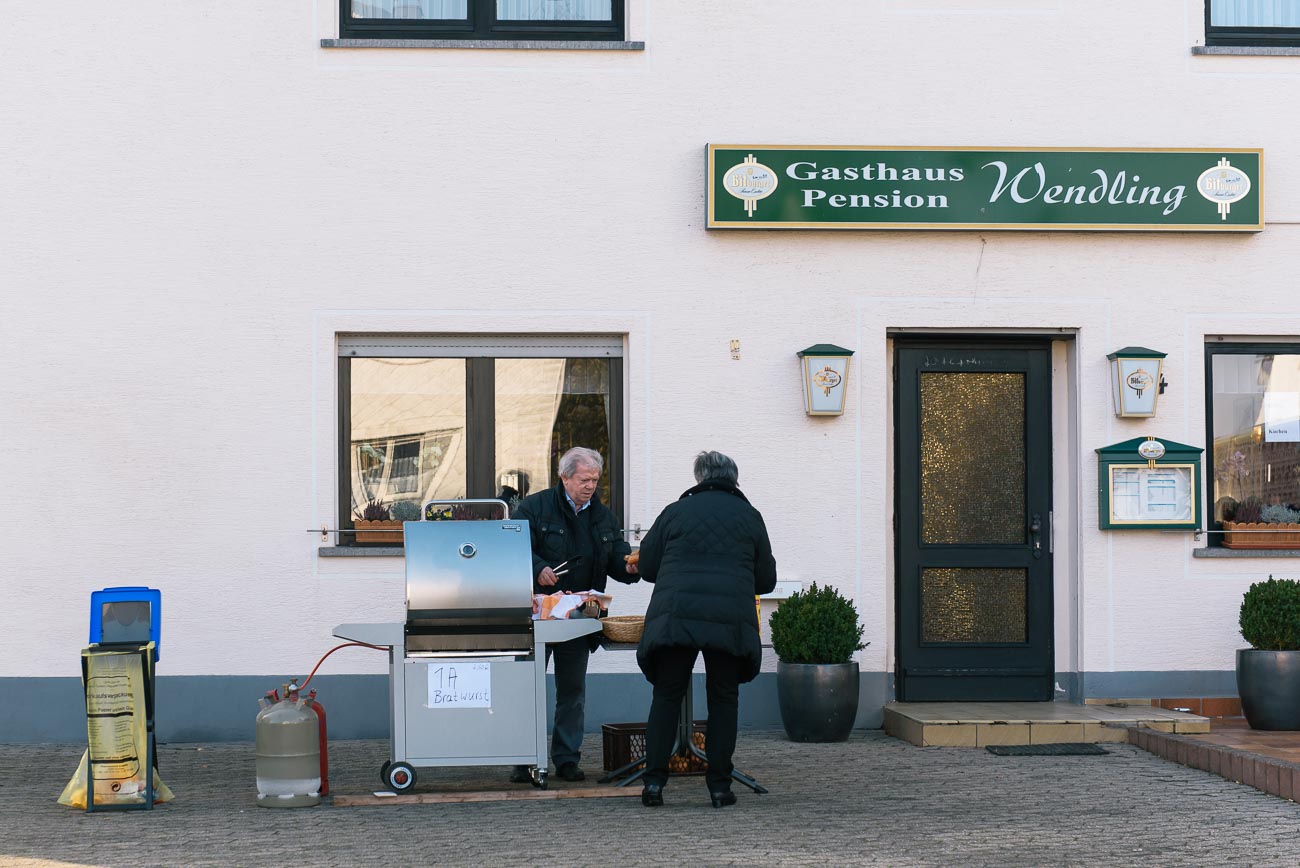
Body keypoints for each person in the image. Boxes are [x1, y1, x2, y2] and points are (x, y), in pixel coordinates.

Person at [634, 450, 777, 809]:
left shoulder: (675, 511)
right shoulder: (750, 516)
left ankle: (653, 784)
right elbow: (767, 579)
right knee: (724, 699)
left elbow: (648, 566)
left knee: (667, 696)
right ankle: (719, 787)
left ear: (700, 477)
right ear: (734, 479)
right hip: (729, 619)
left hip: (677, 615)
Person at [511, 447, 638, 783]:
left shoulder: (602, 516)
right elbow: (511, 549)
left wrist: (633, 565)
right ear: (565, 477)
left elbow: (617, 559)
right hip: (536, 613)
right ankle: (523, 759)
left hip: (578, 616)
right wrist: (538, 568)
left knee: (572, 691)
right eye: (584, 479)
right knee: (527, 686)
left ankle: (567, 760)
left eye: (595, 480)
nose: (591, 486)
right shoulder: (534, 507)